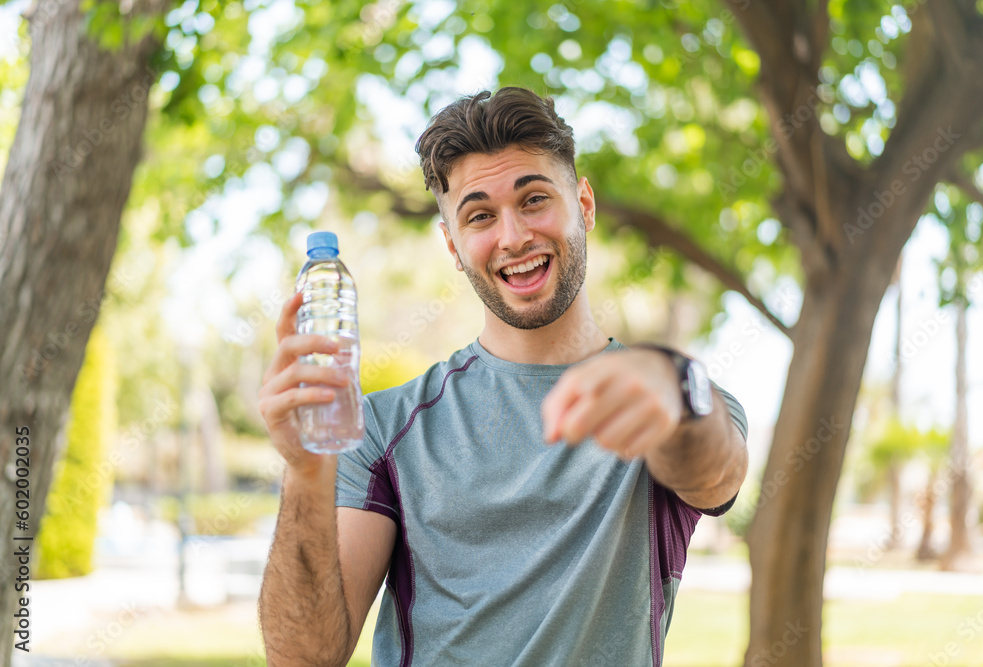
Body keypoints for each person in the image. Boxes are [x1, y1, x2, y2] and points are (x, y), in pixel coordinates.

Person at [257, 87, 749, 667]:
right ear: (453, 245)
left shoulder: (662, 401)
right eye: (480, 215)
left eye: (535, 199)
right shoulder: (385, 429)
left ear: (584, 206)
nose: (513, 237)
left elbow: (715, 473)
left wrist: (678, 386)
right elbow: (306, 659)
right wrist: (305, 471)